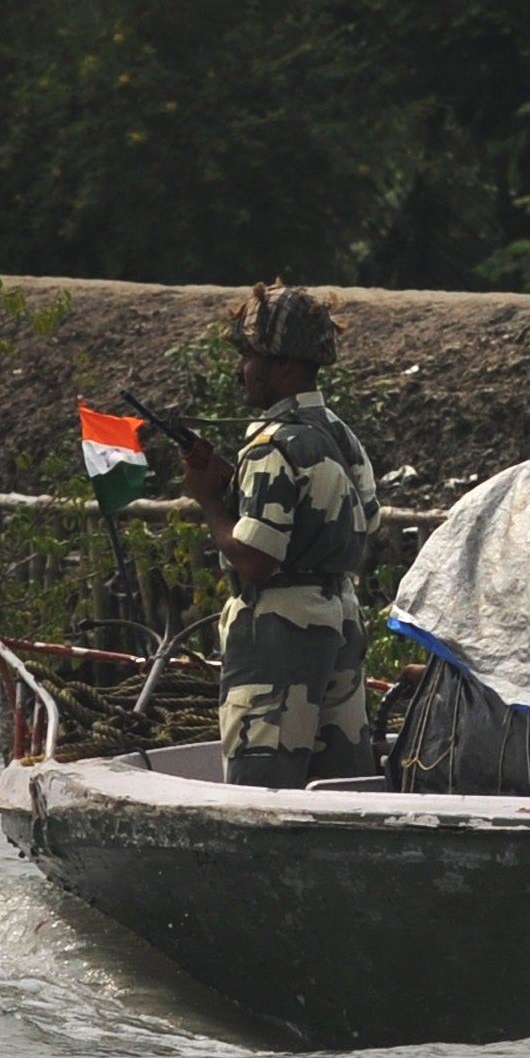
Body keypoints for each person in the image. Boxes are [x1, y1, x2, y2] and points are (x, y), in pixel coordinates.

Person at [180, 281, 382, 788]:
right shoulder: (338, 432)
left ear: (284, 365)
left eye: (249, 356)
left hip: (279, 630)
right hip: (339, 613)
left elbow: (255, 558)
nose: (239, 369)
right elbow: (368, 519)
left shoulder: (272, 443)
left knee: (261, 781)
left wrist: (209, 501)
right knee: (340, 780)